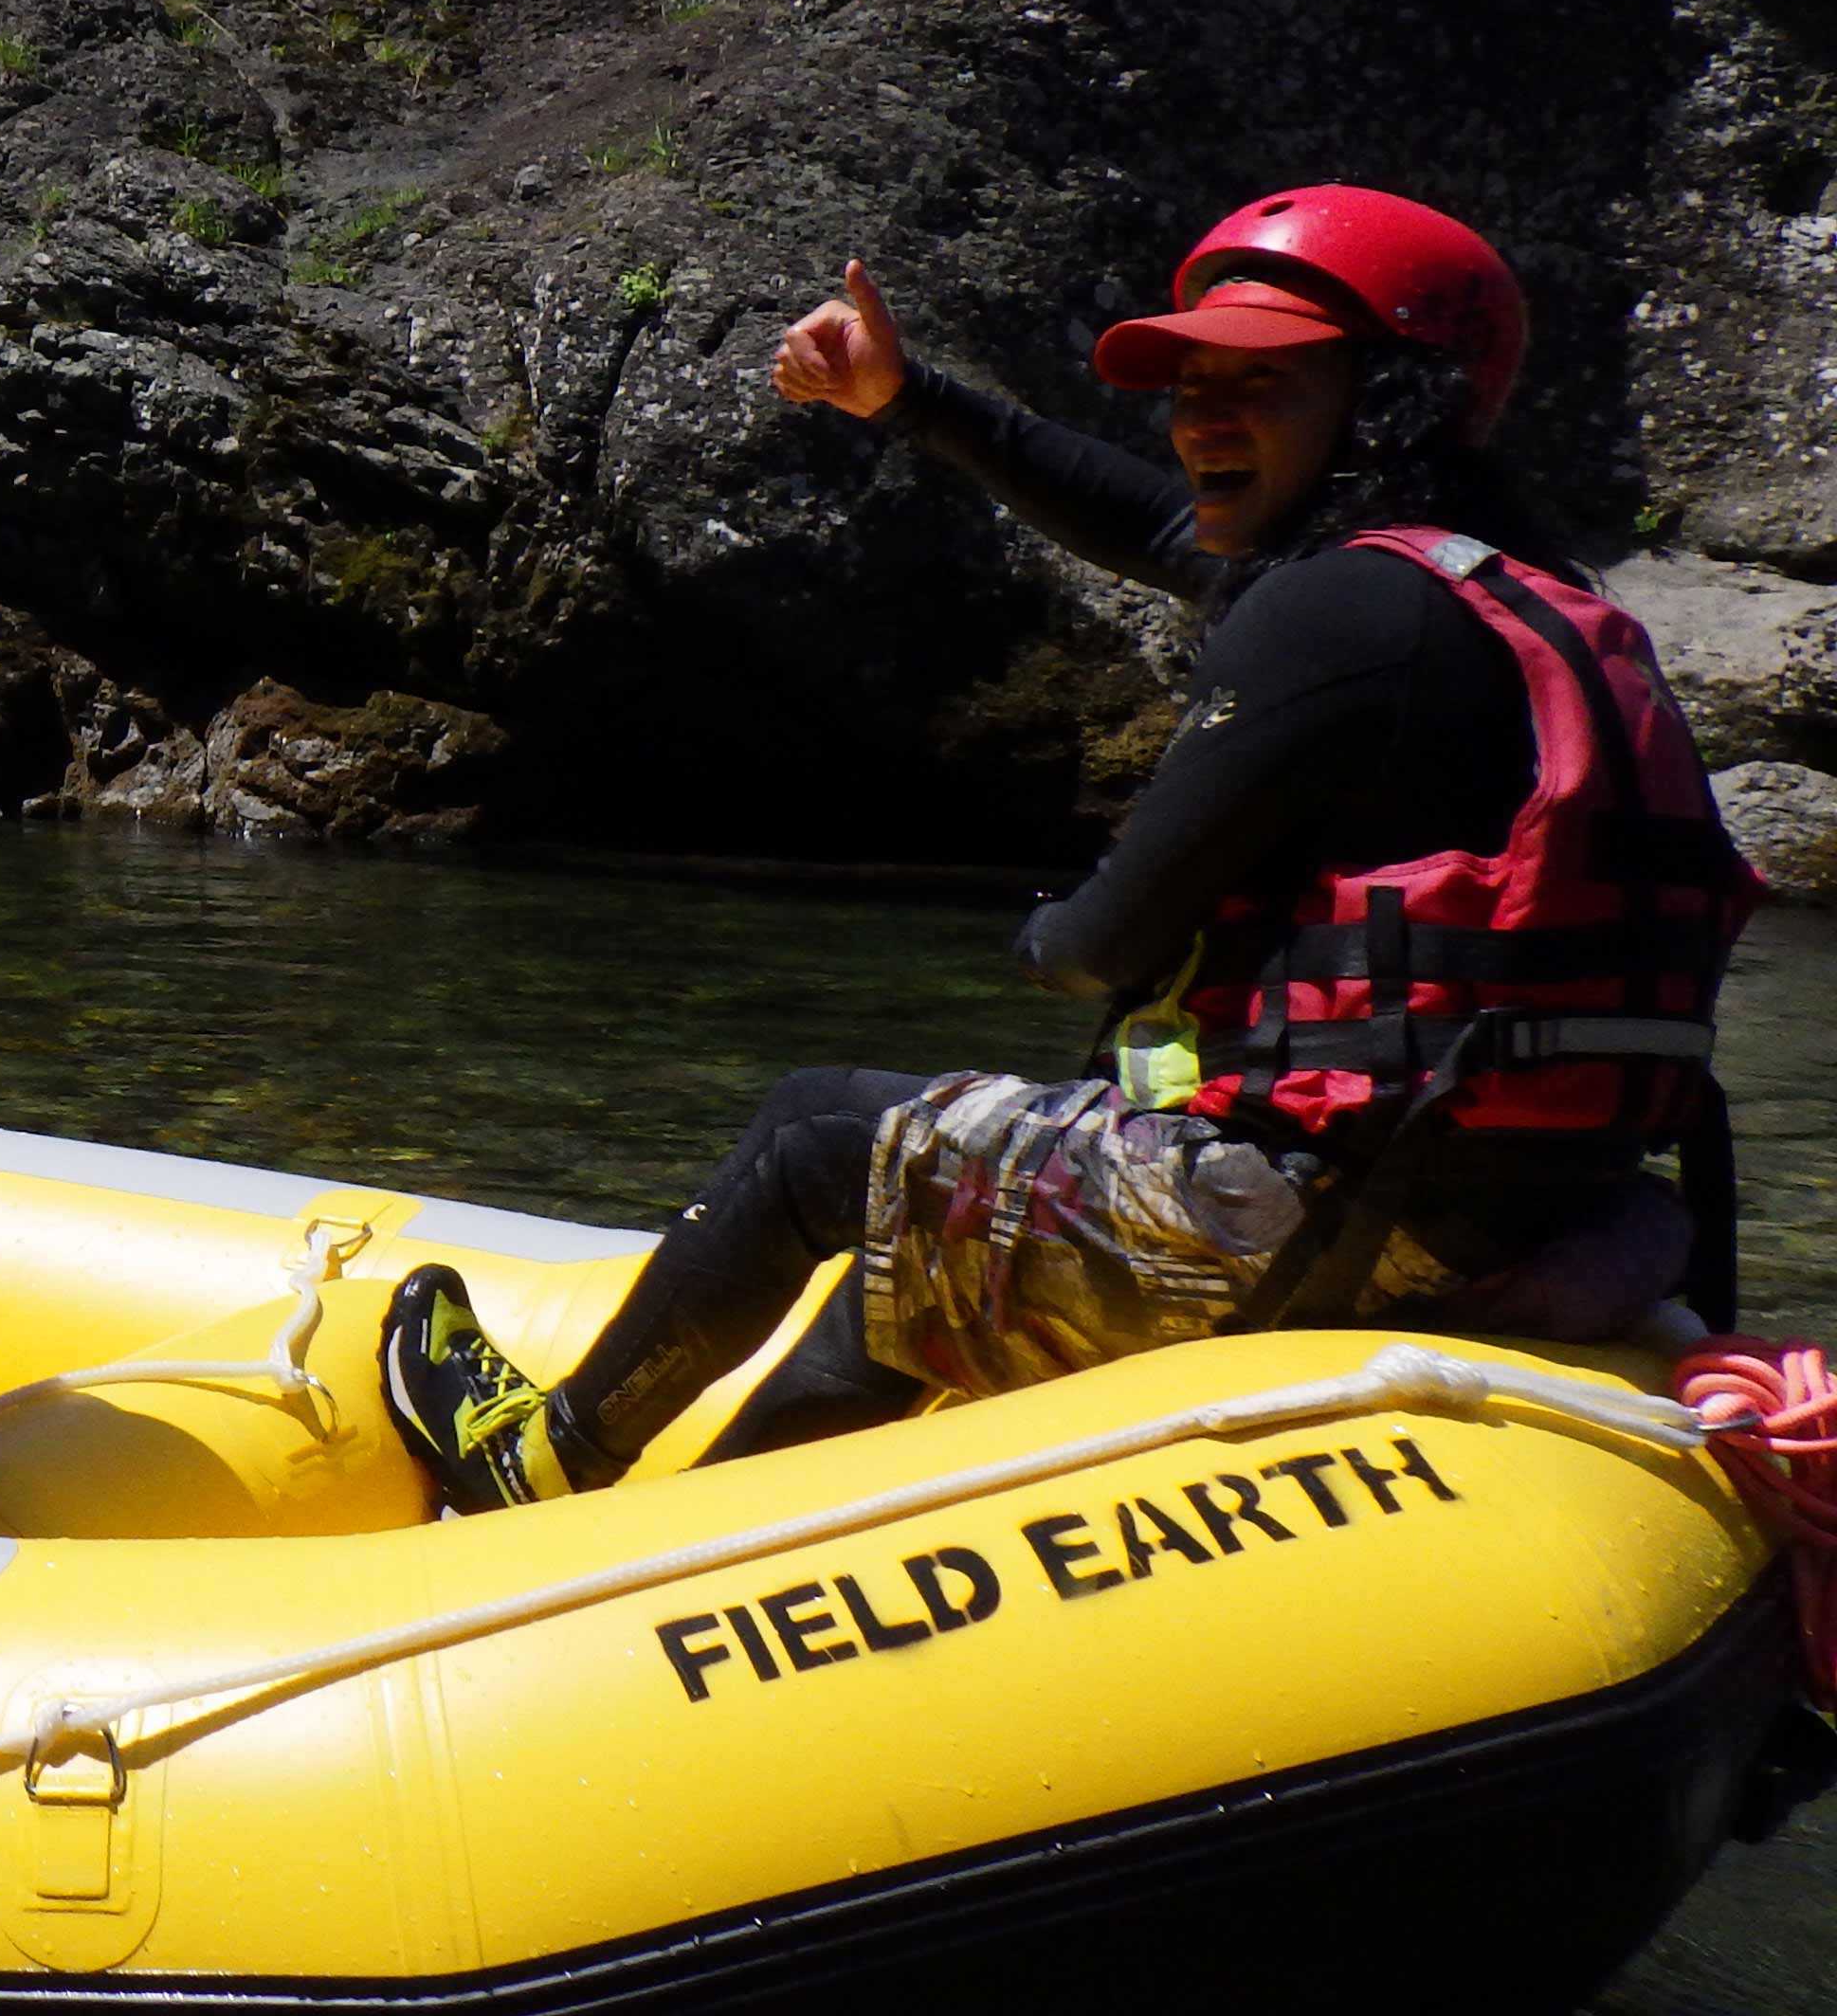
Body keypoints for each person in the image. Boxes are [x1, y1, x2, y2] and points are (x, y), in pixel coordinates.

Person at [384, 187, 1759, 1512]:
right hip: (1538, 1211)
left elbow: (1104, 937)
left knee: (819, 1133)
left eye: (1259, 383)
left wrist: (1042, 932)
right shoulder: (1523, 596)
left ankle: (541, 1457)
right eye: (1188, 389)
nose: (1202, 421)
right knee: (921, 1247)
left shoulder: (1339, 612)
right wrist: (909, 399)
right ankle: (697, 1538)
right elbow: (1161, 523)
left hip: (1342, 1225)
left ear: (1389, 399)